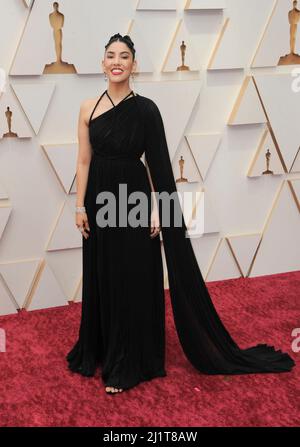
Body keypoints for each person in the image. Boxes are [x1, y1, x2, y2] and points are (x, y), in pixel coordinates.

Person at [66, 33, 295, 395]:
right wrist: (79, 206)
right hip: (97, 200)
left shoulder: (146, 110)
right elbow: (82, 160)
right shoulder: (86, 108)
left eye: (125, 56)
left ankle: (129, 361)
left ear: (134, 65)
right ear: (102, 62)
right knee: (103, 272)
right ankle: (99, 347)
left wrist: (161, 210)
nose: (117, 61)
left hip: (134, 200)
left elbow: (158, 166)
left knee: (132, 276)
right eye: (111, 55)